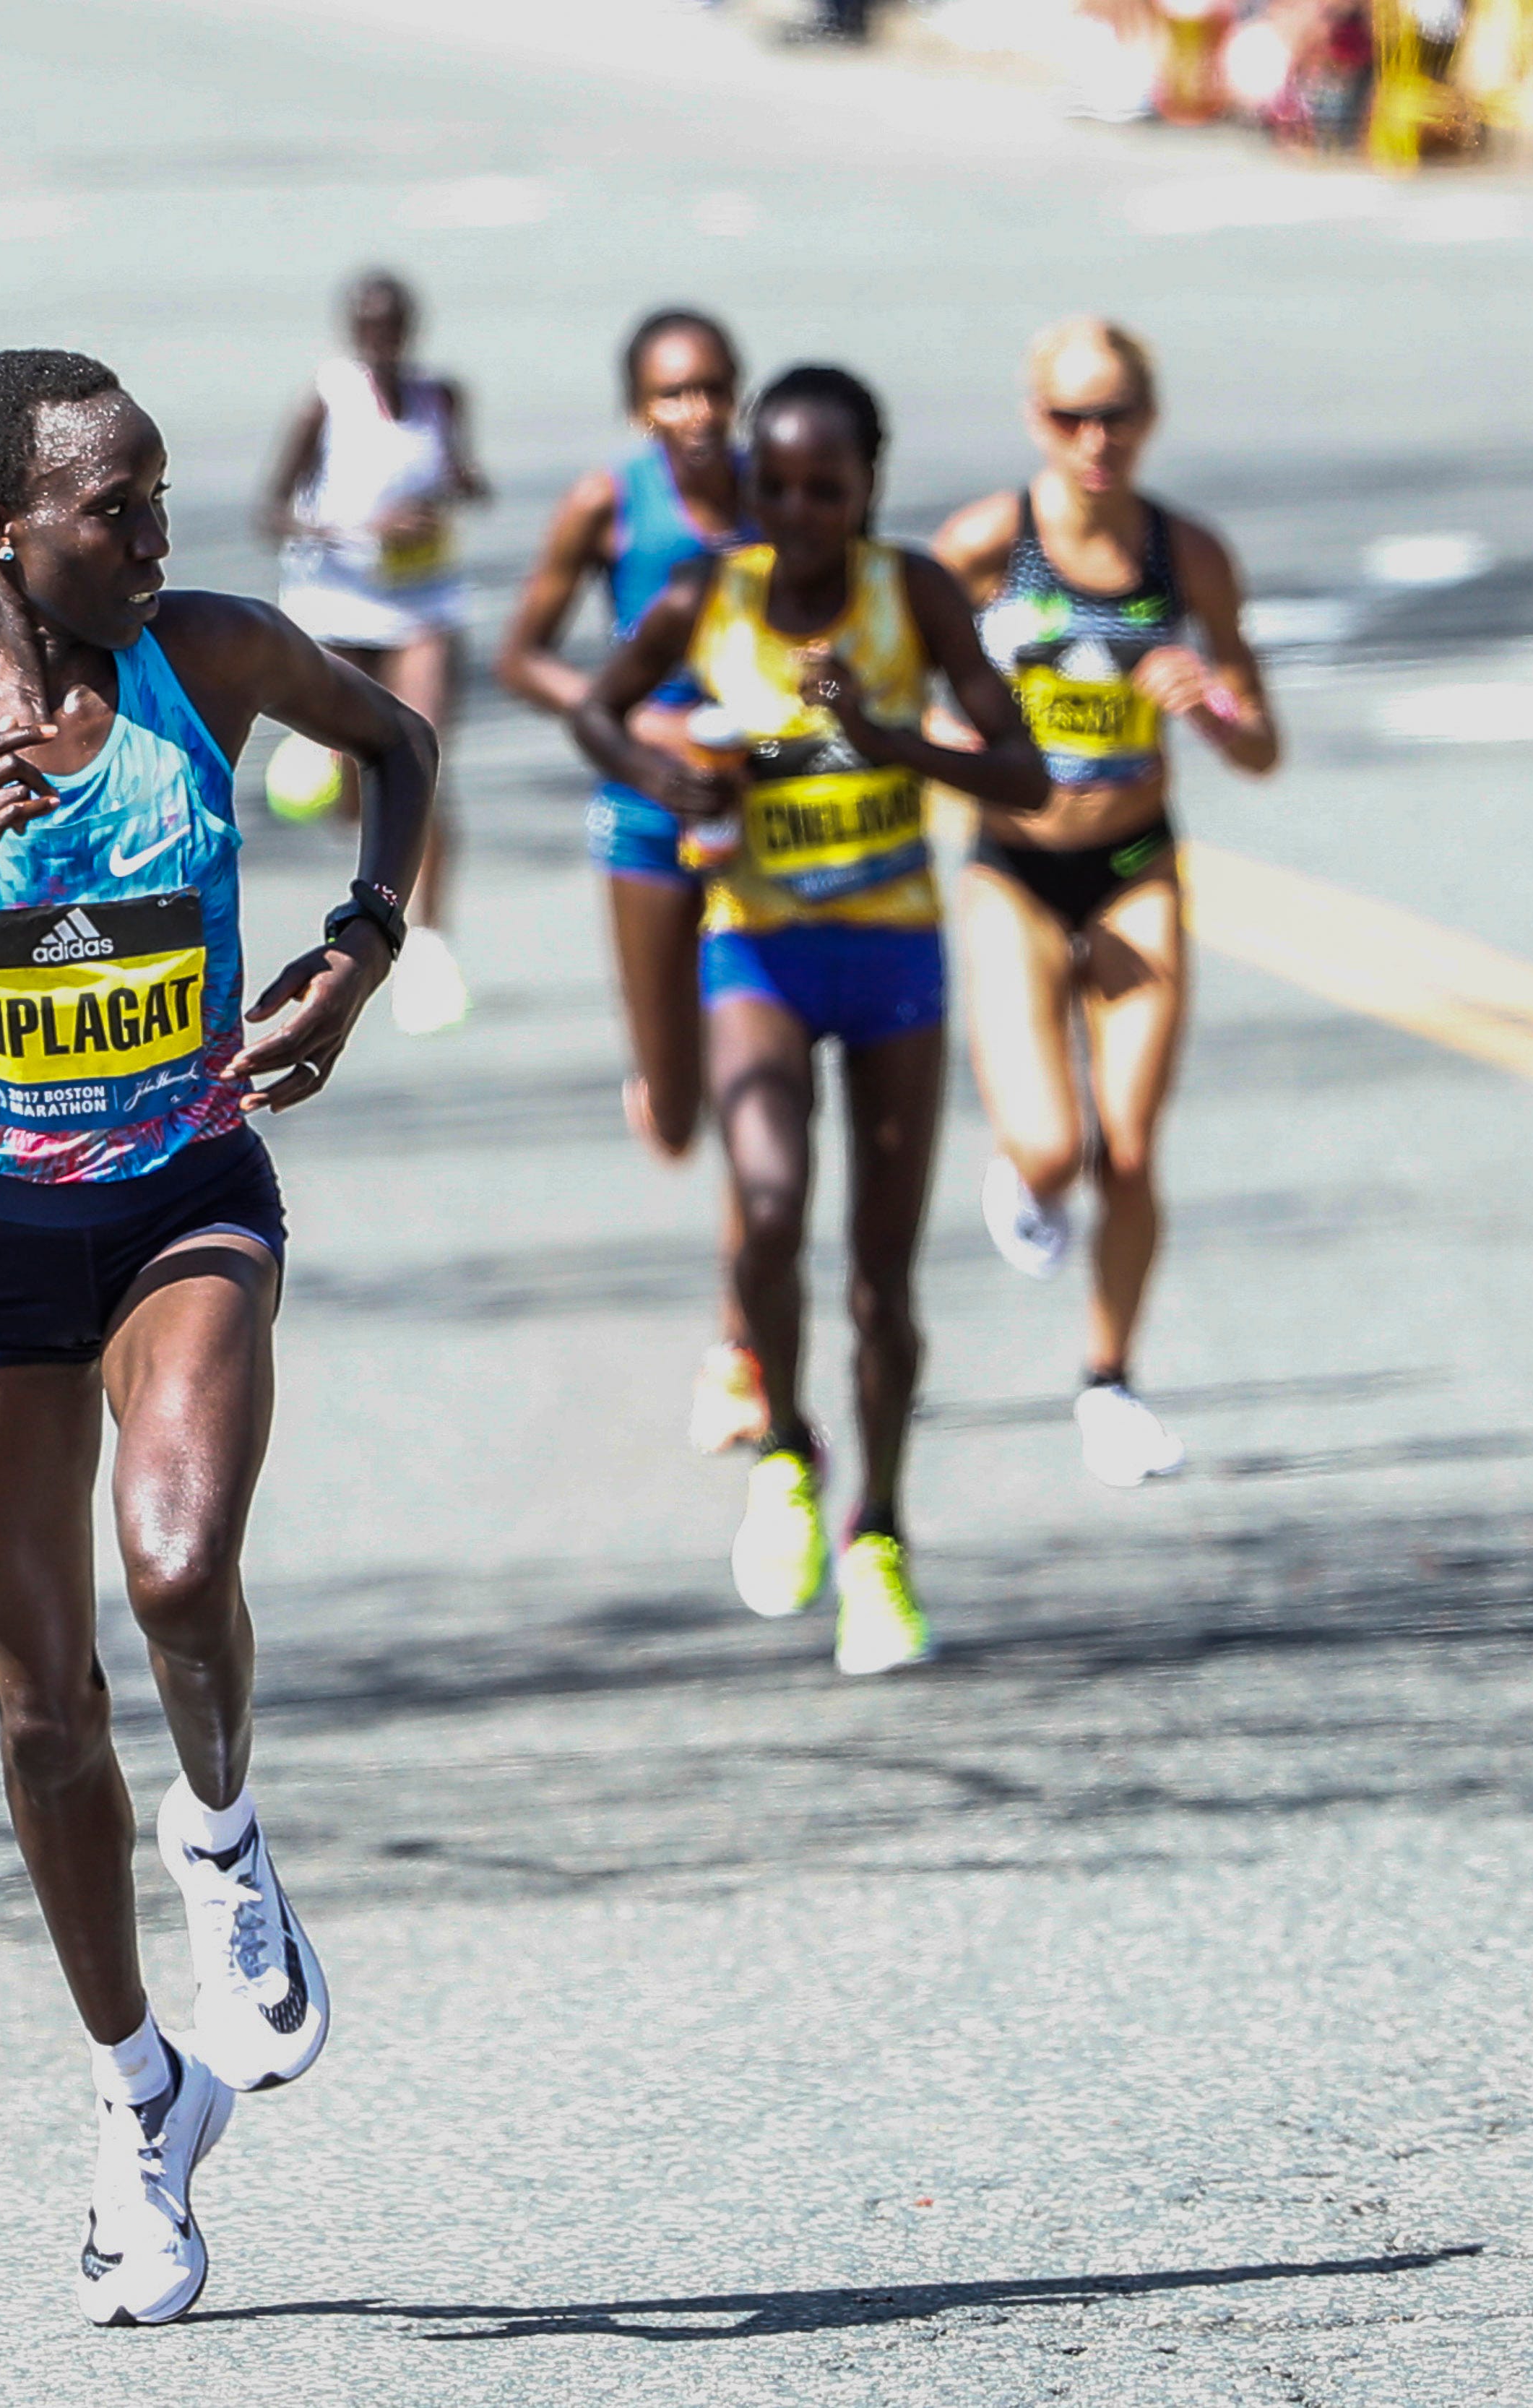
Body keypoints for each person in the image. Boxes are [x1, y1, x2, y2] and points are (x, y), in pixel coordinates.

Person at [0, 348, 433, 2326]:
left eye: (157, 500)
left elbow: (397, 742)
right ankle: (143, 2104)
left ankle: (226, 1838)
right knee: (43, 1709)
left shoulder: (205, 657)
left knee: (178, 1557)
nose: (154, 540)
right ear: (2, 531)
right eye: (111, 512)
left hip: (183, 1197)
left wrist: (355, 951)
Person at [571, 365, 1046, 1675]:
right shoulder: (705, 595)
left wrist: (901, 743)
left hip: (890, 954)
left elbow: (1024, 771)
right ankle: (787, 1448)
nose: (798, 508)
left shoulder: (916, 596)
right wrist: (667, 775)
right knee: (769, 1208)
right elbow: (600, 713)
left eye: (825, 488)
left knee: (883, 1282)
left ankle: (880, 1537)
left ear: (868, 488)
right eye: (776, 484)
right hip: (763, 951)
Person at [930, 318, 1276, 1488]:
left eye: (1118, 414)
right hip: (1014, 870)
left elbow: (1264, 743)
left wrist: (1214, 706)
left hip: (1137, 866)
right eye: (1073, 417)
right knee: (1054, 1144)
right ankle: (1023, 1172)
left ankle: (1110, 1381)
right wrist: (954, 734)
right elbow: (892, 691)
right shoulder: (986, 545)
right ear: (1037, 420)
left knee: (1129, 1150)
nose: (1096, 439)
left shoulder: (1188, 555)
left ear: (1149, 417)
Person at [498, 306, 766, 1454]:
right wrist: (622, 717)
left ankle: (741, 1351)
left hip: (763, 819)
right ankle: (660, 1090)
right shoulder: (608, 503)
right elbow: (520, 654)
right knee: (677, 1114)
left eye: (712, 388)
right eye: (672, 395)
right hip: (643, 810)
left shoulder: (781, 488)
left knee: (760, 1094)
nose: (696, 412)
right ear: (639, 410)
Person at [259, 269, 484, 1035]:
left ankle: (427, 939)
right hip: (338, 602)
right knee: (359, 777)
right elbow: (272, 512)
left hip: (422, 604)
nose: (382, 340)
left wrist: (456, 487)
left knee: (422, 758)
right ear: (353, 332)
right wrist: (358, 530)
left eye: (393, 327)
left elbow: (465, 476)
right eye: (369, 328)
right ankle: (337, 787)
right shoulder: (324, 400)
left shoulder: (439, 397)